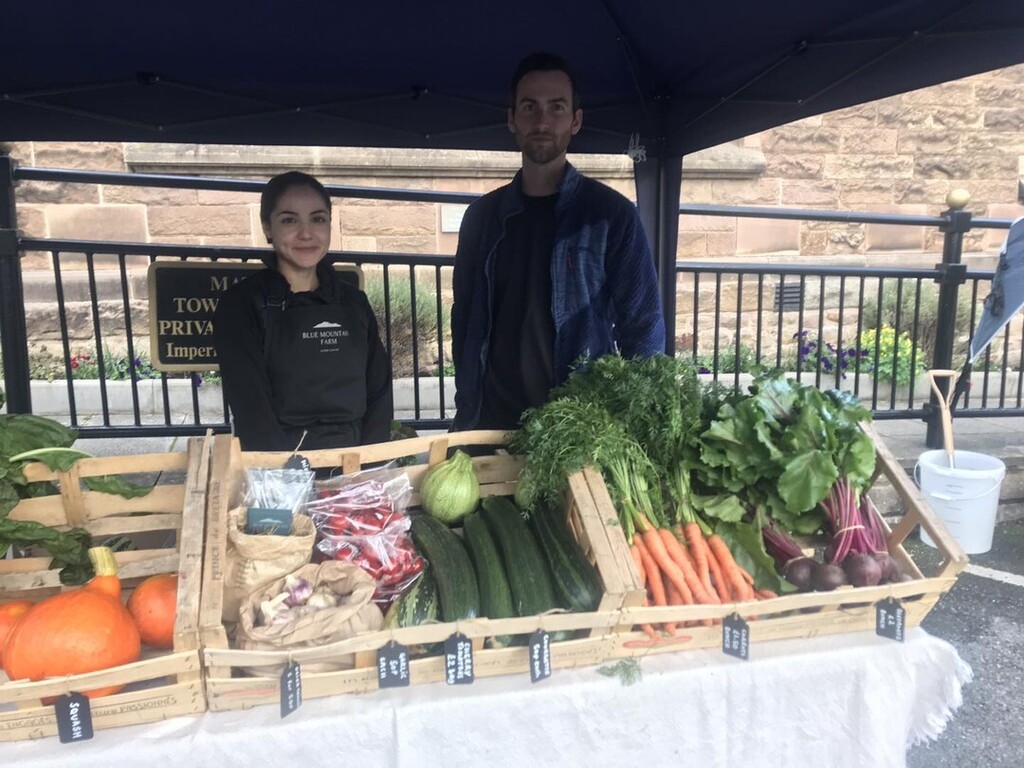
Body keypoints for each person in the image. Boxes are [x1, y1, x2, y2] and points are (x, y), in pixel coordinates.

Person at [451, 52, 665, 431]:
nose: (542, 121)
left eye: (557, 107)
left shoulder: (610, 215)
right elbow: (465, 320)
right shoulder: (481, 219)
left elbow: (643, 326)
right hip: (490, 422)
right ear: (511, 118)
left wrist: (638, 427)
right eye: (529, 107)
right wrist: (466, 404)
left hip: (575, 429)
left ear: (575, 121)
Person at [213, 171, 393, 451]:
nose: (306, 233)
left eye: (318, 219)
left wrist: (369, 468)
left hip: (354, 461)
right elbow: (251, 407)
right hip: (279, 467)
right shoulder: (241, 305)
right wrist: (287, 481)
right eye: (289, 220)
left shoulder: (354, 302)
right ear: (267, 228)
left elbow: (379, 393)